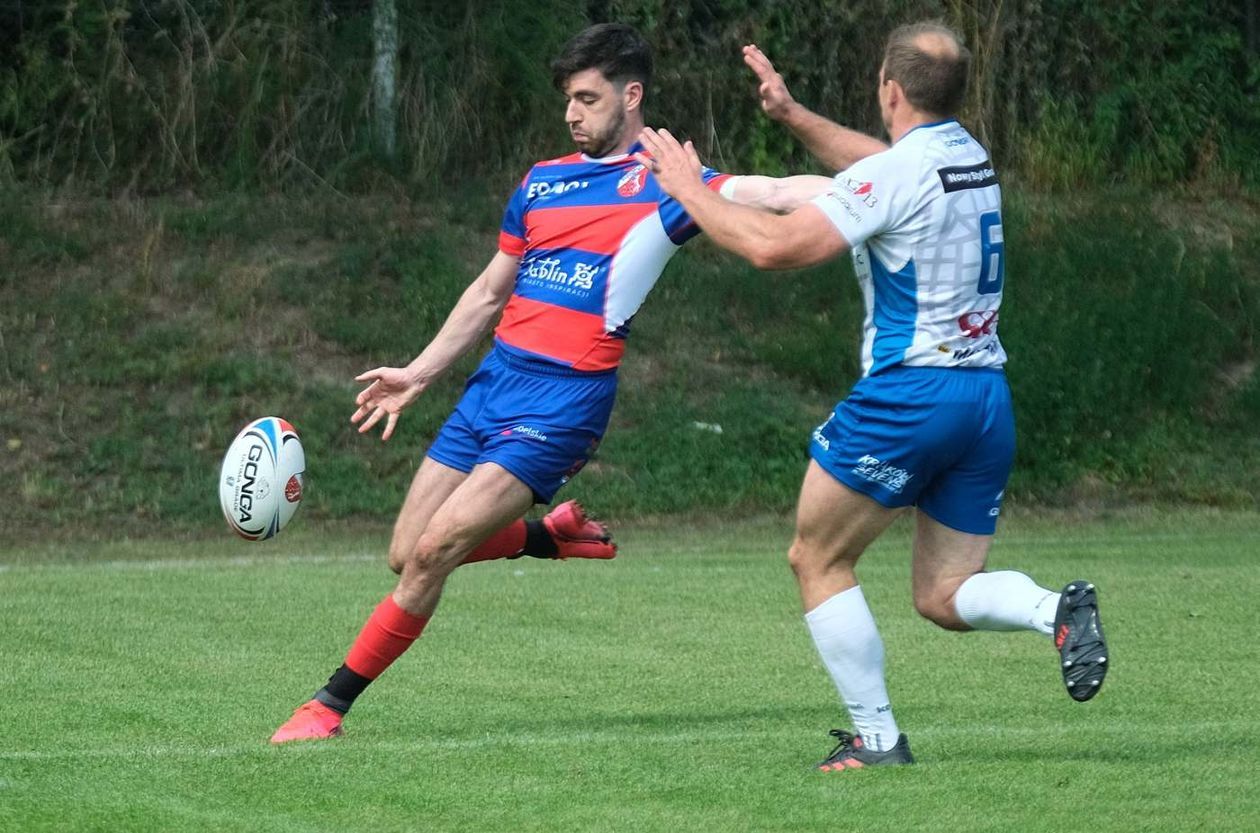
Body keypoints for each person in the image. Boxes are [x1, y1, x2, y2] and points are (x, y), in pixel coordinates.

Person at [271, 22, 827, 743]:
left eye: (588, 98)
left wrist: (883, 189)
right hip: (491, 386)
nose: (573, 112)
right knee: (406, 550)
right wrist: (418, 373)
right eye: (568, 98)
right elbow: (485, 292)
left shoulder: (665, 184)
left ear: (632, 97)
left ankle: (328, 705)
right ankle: (544, 539)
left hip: (563, 404)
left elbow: (779, 189)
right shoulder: (541, 181)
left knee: (435, 552)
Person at [638, 21, 1108, 771]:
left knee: (816, 557)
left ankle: (878, 739)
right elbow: (880, 167)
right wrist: (792, 117)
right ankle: (1057, 610)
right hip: (985, 399)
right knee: (944, 593)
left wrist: (690, 190)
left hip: (910, 396)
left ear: (889, 89)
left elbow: (773, 247)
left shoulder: (895, 173)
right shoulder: (969, 156)